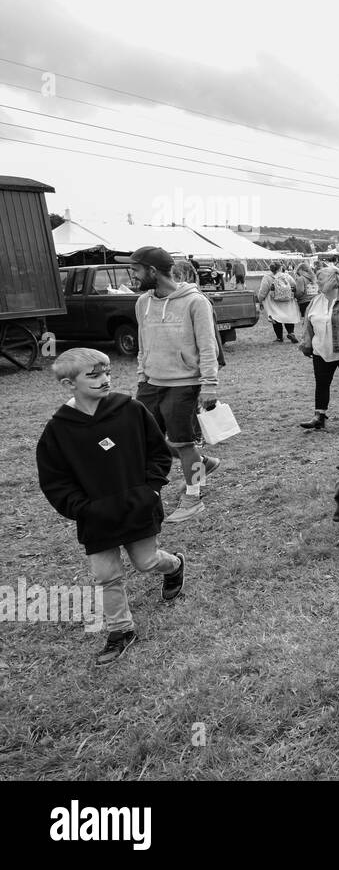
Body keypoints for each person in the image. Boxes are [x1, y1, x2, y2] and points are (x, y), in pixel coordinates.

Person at [36, 348, 187, 665]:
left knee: (146, 562)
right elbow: (55, 481)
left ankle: (174, 566)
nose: (105, 380)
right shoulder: (58, 431)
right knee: (107, 575)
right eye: (94, 376)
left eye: (106, 373)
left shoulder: (129, 409)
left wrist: (152, 490)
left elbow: (158, 453)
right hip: (97, 518)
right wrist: (83, 509)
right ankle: (121, 631)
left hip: (139, 506)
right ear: (68, 385)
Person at [127, 246, 222, 525]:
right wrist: (142, 374)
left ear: (152, 271)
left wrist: (210, 384)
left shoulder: (196, 302)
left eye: (136, 269)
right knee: (145, 438)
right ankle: (200, 463)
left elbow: (207, 346)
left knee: (183, 441)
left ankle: (193, 496)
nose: (133, 275)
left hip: (185, 382)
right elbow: (143, 343)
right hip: (151, 382)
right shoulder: (142, 302)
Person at [298, 264, 339, 430]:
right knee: (321, 382)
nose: (317, 282)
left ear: (333, 281)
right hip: (321, 350)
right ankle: (319, 415)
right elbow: (308, 326)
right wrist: (307, 345)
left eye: (321, 279)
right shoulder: (314, 302)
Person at [256, 261, 301, 343]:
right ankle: (291, 333)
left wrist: (260, 300)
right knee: (288, 317)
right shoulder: (287, 276)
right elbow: (294, 285)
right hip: (287, 300)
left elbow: (263, 290)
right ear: (281, 268)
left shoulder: (267, 277)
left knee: (275, 317)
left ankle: (279, 337)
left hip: (274, 301)